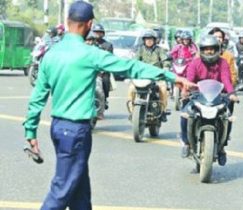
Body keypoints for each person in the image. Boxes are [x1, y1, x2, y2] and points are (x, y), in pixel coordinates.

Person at [22, 2, 194, 209]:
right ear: (89, 24)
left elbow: (38, 96)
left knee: (80, 192)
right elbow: (131, 67)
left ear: (67, 22)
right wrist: (171, 77)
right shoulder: (90, 54)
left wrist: (30, 130)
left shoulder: (51, 54)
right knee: (62, 189)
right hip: (76, 131)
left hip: (58, 128)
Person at [180, 35, 238, 166]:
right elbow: (189, 78)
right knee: (185, 114)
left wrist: (231, 93)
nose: (209, 52)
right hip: (198, 96)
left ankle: (222, 146)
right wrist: (186, 88)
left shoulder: (223, 62)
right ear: (202, 50)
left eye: (212, 49)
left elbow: (226, 79)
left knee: (227, 116)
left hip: (217, 97)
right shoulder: (195, 63)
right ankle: (187, 142)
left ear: (217, 49)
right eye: (206, 49)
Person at [128, 29, 171, 121]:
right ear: (144, 40)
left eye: (151, 39)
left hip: (157, 76)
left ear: (155, 40)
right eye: (147, 39)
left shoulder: (160, 50)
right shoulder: (140, 50)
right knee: (131, 88)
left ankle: (162, 111)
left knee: (163, 88)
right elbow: (135, 62)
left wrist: (165, 69)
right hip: (142, 77)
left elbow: (165, 61)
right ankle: (132, 112)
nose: (149, 41)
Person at [92, 23, 113, 111]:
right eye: (95, 32)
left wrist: (102, 71)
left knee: (105, 80)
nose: (97, 34)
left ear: (103, 33)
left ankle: (104, 99)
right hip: (90, 69)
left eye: (99, 32)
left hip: (103, 70)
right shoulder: (88, 43)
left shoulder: (107, 45)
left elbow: (108, 59)